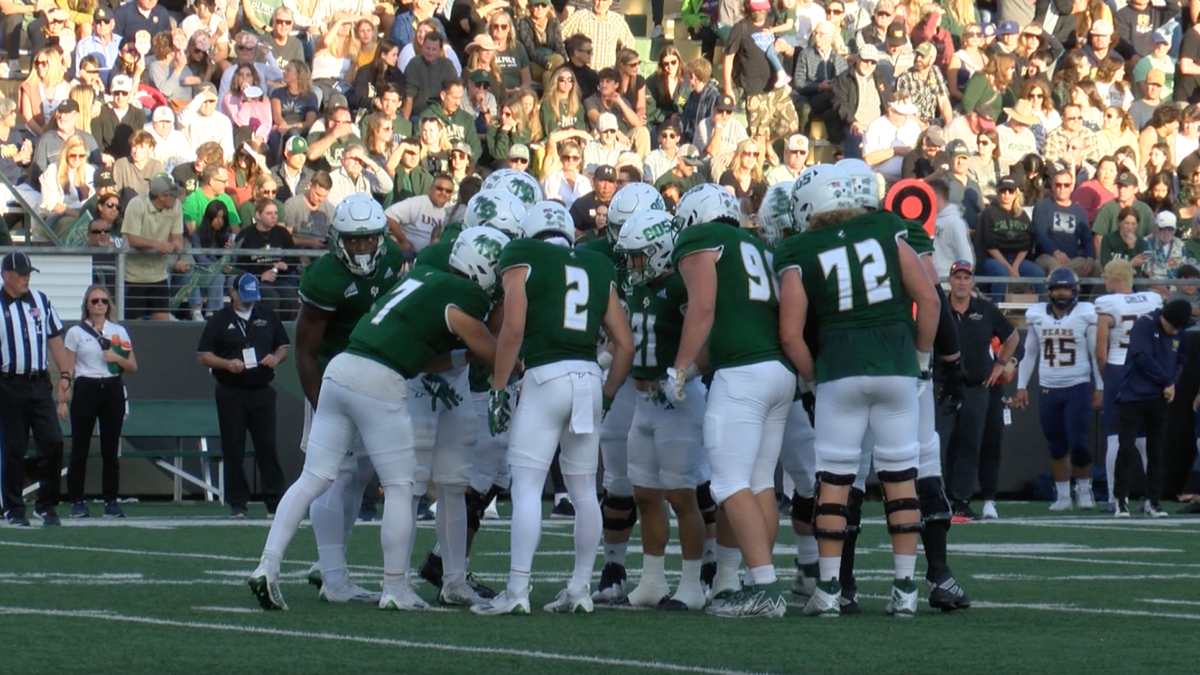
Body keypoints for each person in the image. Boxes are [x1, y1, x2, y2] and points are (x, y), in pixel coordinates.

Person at [250, 218, 507, 612]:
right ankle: (395, 587)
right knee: (402, 488)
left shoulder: (421, 280)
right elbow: (496, 355)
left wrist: (462, 354)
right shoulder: (463, 297)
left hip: (340, 370)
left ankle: (266, 565)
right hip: (378, 382)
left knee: (313, 478)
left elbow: (425, 359)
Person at [777, 164, 940, 618]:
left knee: (833, 481)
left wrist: (813, 378)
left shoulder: (797, 247)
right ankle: (905, 588)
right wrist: (922, 358)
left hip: (839, 370)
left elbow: (791, 335)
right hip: (895, 366)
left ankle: (828, 589)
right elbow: (928, 299)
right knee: (900, 478)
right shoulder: (889, 227)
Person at [472, 205, 633, 617]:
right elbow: (624, 345)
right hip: (587, 378)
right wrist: (609, 394)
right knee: (583, 490)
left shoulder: (523, 255)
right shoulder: (597, 263)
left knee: (526, 485)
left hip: (546, 377)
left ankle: (517, 588)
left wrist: (498, 386)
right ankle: (579, 587)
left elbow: (512, 329)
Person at [292, 192, 409, 603]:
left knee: (359, 475)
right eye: (354, 240)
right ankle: (334, 577)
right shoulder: (325, 278)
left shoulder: (392, 259)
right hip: (335, 380)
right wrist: (320, 400)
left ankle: (330, 564)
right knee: (333, 476)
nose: (363, 247)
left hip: (375, 378)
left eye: (369, 238)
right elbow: (305, 349)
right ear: (338, 239)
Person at [197, 273, 289, 519]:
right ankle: (238, 503)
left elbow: (283, 346)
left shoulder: (267, 315)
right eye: (245, 295)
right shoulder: (219, 319)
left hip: (261, 389)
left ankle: (275, 502)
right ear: (233, 292)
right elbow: (204, 354)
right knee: (233, 448)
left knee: (267, 447)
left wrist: (276, 358)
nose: (250, 301)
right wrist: (226, 364)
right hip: (231, 391)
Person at [1012, 269, 1103, 512]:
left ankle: (1084, 490)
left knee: (1079, 442)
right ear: (1049, 290)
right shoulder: (1037, 314)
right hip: (1048, 388)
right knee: (1056, 444)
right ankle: (1063, 495)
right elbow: (1029, 353)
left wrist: (1099, 386)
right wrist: (1021, 385)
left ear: (1075, 290)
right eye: (1057, 288)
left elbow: (1095, 353)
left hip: (1078, 385)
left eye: (1066, 288)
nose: (1062, 292)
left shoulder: (1086, 313)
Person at [938, 261, 1018, 519]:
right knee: (940, 443)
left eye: (966, 277)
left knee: (970, 444)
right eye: (957, 277)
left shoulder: (985, 309)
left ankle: (960, 499)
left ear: (972, 282)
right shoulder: (939, 308)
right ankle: (938, 497)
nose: (962, 282)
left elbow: (1012, 337)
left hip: (976, 385)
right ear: (949, 280)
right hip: (944, 384)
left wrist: (1001, 364)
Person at [0, 252, 69, 527]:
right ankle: (14, 509)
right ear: (7, 276)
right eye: (21, 273)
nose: (27, 277)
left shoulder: (40, 300)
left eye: (29, 272)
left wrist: (65, 375)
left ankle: (47, 505)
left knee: (53, 441)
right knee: (13, 446)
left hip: (39, 382)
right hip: (8, 383)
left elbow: (54, 338)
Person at [59, 285, 136, 519]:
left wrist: (116, 358)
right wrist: (63, 395)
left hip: (111, 385)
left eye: (103, 300)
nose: (99, 305)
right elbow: (69, 367)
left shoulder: (118, 331)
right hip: (86, 385)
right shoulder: (76, 332)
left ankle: (110, 501)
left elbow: (132, 365)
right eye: (94, 301)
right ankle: (76, 501)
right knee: (80, 446)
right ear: (87, 305)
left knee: (110, 448)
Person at [1094, 258, 1162, 512]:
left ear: (1115, 278)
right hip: (1147, 370)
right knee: (1146, 439)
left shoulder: (1107, 304)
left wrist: (1106, 375)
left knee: (1115, 436)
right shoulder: (1152, 299)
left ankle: (1115, 498)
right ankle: (1151, 498)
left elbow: (1100, 351)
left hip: (1119, 367)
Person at [1113, 299, 1191, 518]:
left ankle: (1153, 501)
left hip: (1160, 398)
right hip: (1133, 395)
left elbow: (1180, 360)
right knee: (1126, 448)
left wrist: (1172, 382)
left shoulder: (1180, 331)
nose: (1175, 331)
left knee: (1157, 451)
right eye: (1173, 326)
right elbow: (1141, 357)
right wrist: (1167, 381)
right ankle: (1120, 499)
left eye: (1179, 328)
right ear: (1164, 318)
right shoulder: (1144, 325)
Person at [123, 174, 184, 321]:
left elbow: (178, 236)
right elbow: (132, 239)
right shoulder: (136, 205)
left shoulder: (176, 206)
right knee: (135, 326)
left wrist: (177, 243)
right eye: (173, 195)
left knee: (163, 324)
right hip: (134, 276)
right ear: (162, 196)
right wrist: (156, 245)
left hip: (159, 275)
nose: (177, 198)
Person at [1032, 169, 1097, 276]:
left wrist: (1090, 257)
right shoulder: (1042, 206)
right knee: (1056, 267)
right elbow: (1040, 236)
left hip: (1072, 260)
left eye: (1066, 185)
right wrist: (1056, 252)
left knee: (1097, 267)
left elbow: (1087, 240)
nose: (1062, 188)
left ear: (1072, 187)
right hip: (1047, 257)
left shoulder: (1080, 211)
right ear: (1052, 186)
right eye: (1058, 185)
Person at [383, 174, 455, 253]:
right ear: (431, 188)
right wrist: (403, 241)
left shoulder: (453, 210)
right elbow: (389, 215)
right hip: (411, 254)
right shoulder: (417, 203)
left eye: (448, 191)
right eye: (439, 189)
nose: (443, 193)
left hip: (438, 255)